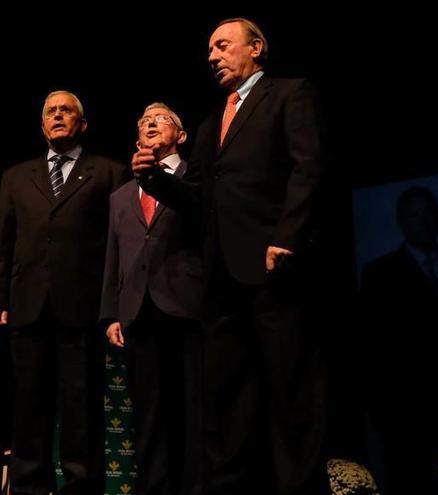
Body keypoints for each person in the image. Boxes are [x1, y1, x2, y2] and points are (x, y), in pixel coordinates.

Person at [135, 18, 328, 495]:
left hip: (272, 267)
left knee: (288, 391)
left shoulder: (289, 93)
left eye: (222, 45)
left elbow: (309, 168)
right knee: (227, 398)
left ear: (256, 48)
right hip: (220, 280)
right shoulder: (207, 124)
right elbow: (198, 195)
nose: (212, 56)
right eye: (209, 49)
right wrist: (155, 180)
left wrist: (288, 235)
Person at [0, 90, 128, 495]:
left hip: (81, 310)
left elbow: (118, 246)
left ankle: (83, 486)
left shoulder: (108, 171)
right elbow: (3, 243)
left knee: (80, 405)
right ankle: (29, 486)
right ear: (42, 124)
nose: (58, 115)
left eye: (67, 110)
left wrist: (112, 305)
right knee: (29, 407)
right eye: (51, 111)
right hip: (27, 308)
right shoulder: (15, 177)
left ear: (82, 124)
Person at [100, 103, 203, 495]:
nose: (150, 124)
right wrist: (111, 313)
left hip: (186, 305)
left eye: (161, 119)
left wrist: (155, 179)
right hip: (138, 311)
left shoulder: (197, 174)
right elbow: (114, 255)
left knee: (191, 409)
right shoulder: (121, 195)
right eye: (143, 121)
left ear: (182, 135)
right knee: (148, 414)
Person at [359, 186, 438, 494]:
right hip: (408, 416)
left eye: (427, 214)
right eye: (414, 215)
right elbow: (374, 346)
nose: (422, 221)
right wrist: (383, 413)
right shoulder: (379, 274)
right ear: (401, 221)